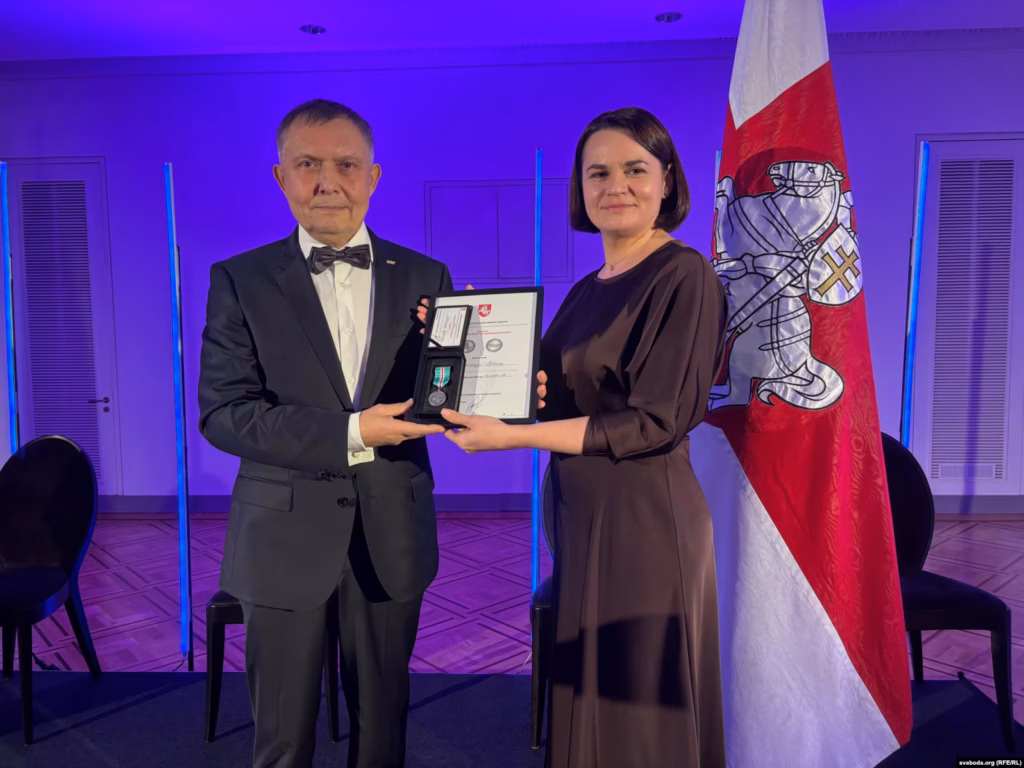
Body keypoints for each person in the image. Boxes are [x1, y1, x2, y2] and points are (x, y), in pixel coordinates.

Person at [438, 107, 729, 767]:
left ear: (667, 180)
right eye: (598, 173)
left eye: (634, 170)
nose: (615, 186)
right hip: (581, 513)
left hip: (645, 518)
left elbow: (658, 420)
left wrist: (516, 439)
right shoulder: (584, 292)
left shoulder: (684, 275)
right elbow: (543, 394)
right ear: (580, 187)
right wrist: (482, 337)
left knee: (635, 706)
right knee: (593, 694)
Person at [198, 98, 451, 768]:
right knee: (282, 741)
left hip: (391, 531)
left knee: (382, 735)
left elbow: (445, 393)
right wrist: (353, 430)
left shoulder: (426, 277)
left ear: (373, 176)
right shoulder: (239, 279)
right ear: (281, 176)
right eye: (308, 164)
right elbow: (224, 413)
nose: (327, 182)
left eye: (346, 164)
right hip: (281, 540)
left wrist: (504, 387)